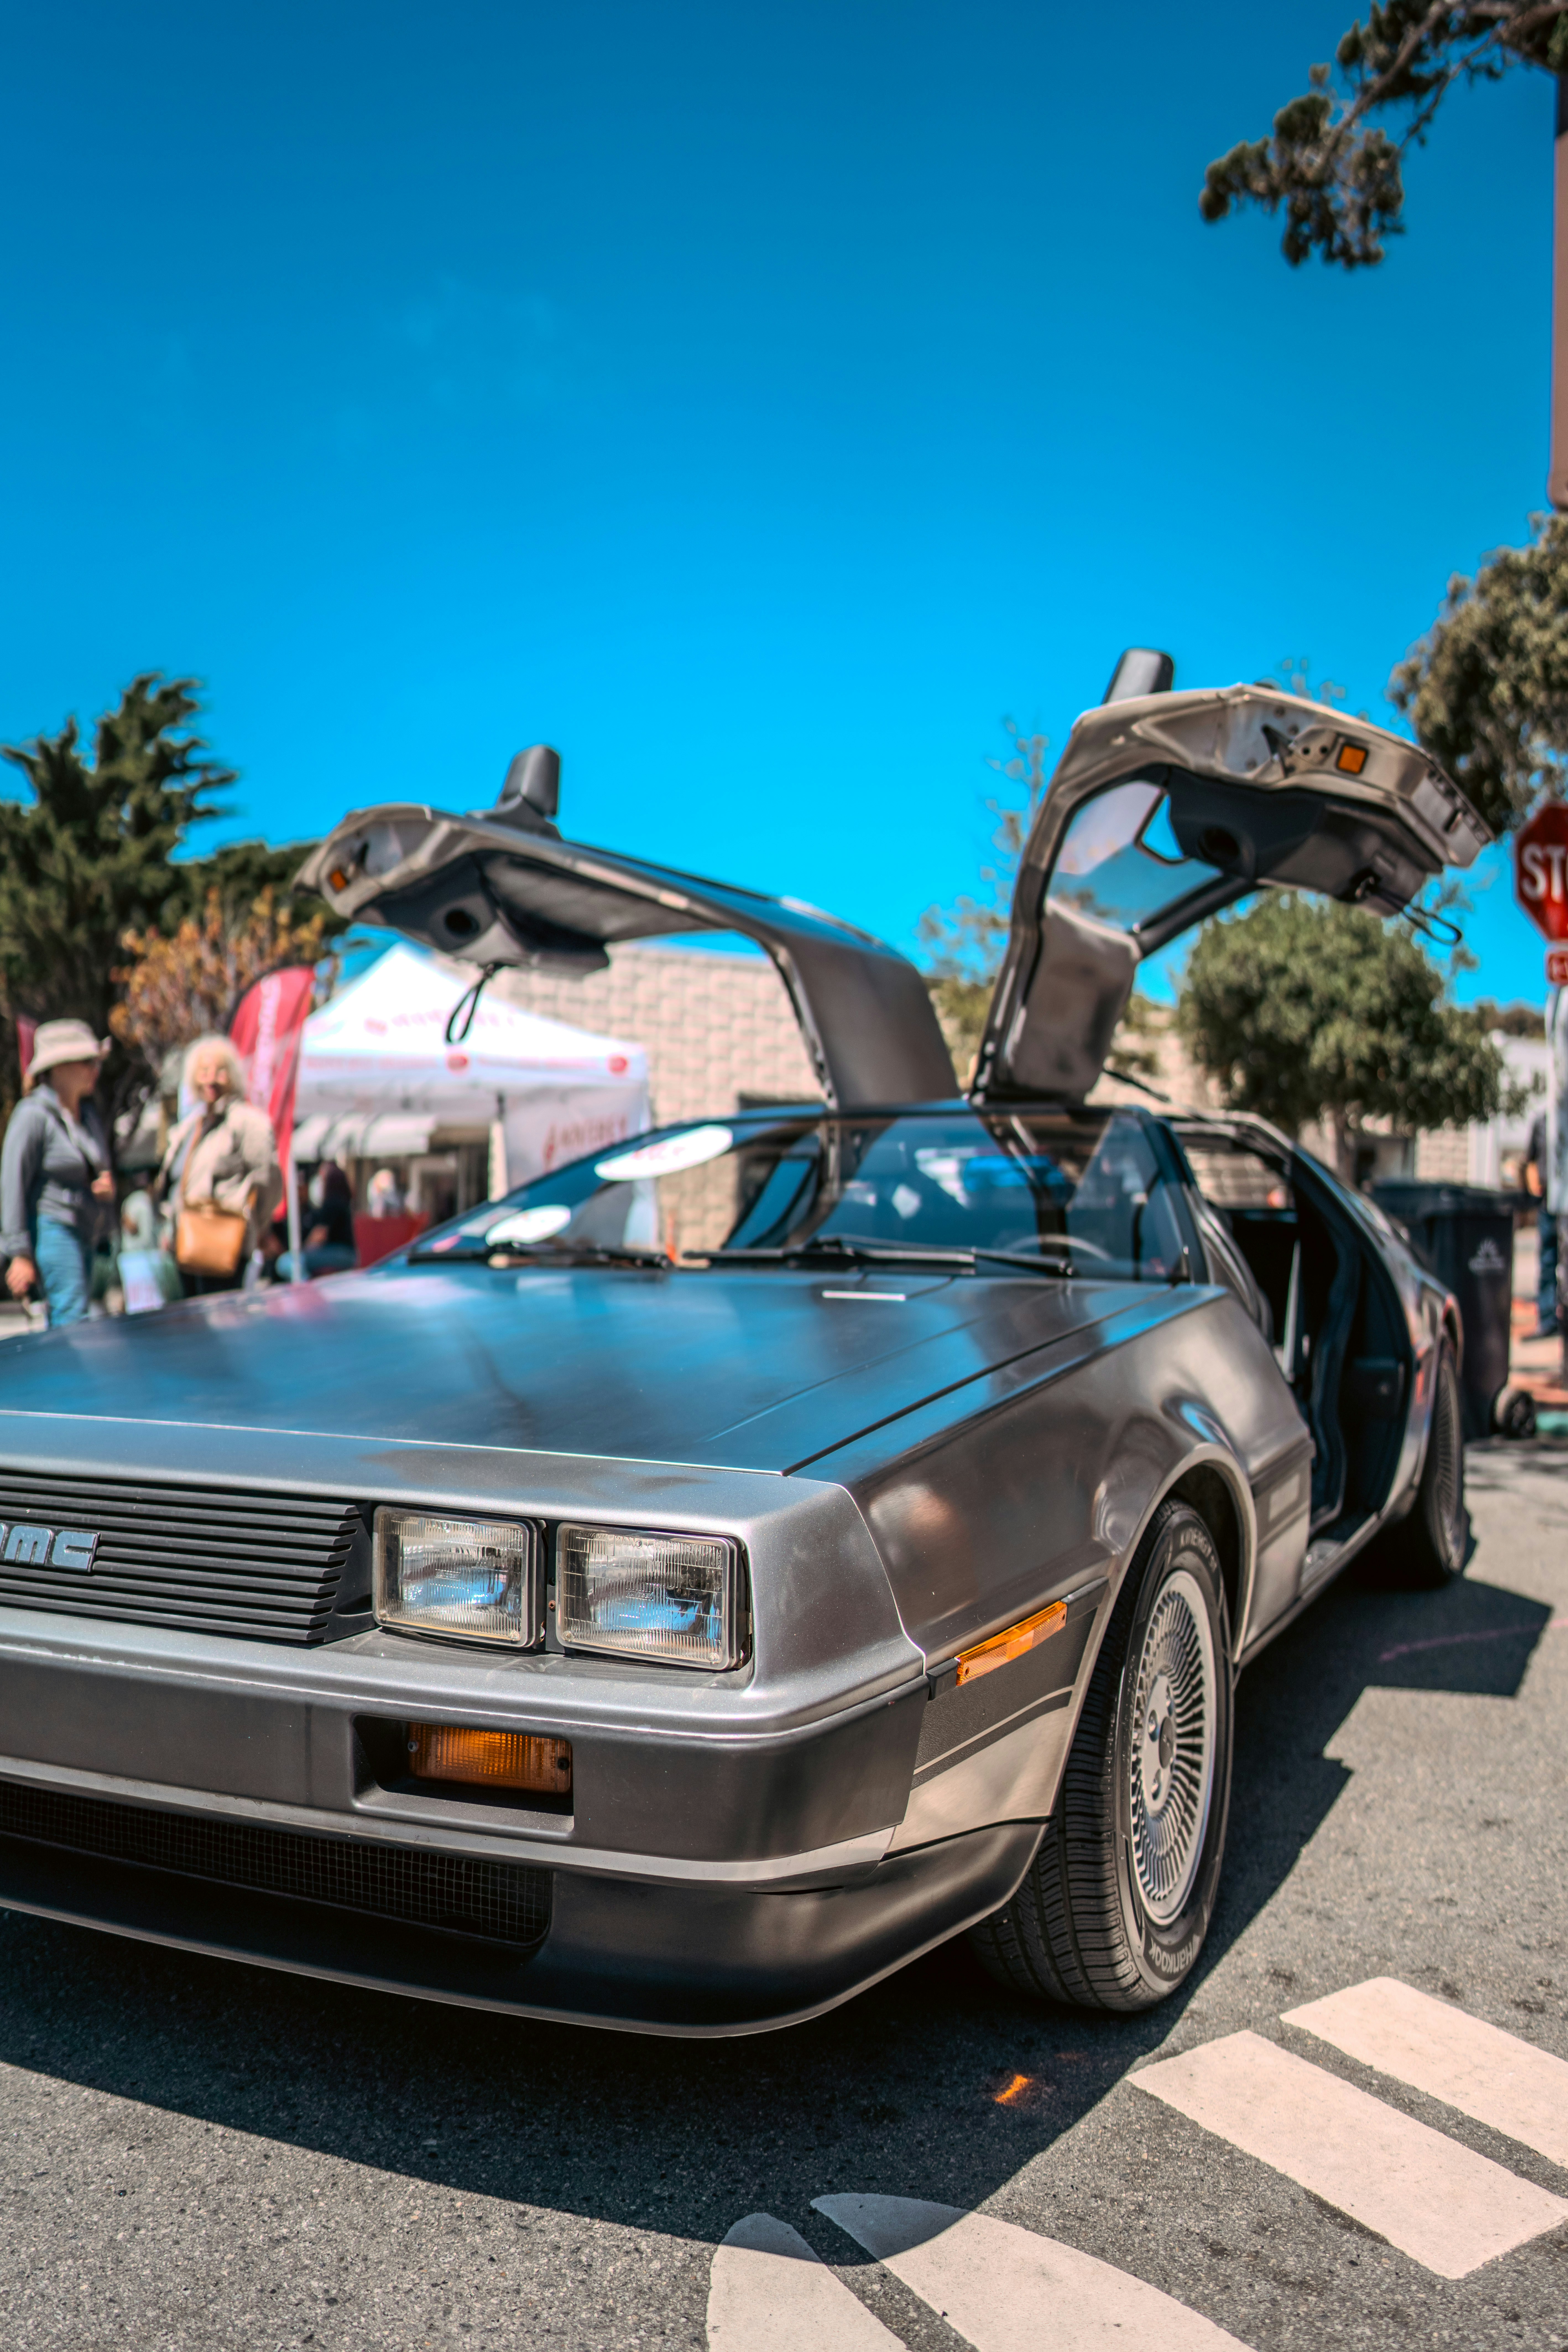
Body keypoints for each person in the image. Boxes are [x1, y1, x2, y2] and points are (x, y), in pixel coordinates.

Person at [0, 1019, 116, 1328]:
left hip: (87, 1228)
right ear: (58, 1067)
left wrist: (104, 1189)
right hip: (53, 1227)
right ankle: (71, 1378)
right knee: (72, 1314)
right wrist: (19, 1252)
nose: (95, 1070)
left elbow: (97, 1168)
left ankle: (67, 1375)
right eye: (87, 1062)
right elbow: (11, 1184)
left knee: (73, 1313)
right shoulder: (32, 1115)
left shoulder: (88, 1115)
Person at [155, 1035, 281, 1295]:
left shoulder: (248, 1122)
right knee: (192, 1324)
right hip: (185, 1242)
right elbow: (175, 1183)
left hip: (225, 1241)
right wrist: (170, 1227)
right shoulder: (190, 1126)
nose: (211, 1079)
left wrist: (257, 1223)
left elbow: (268, 1176)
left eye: (220, 1071)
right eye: (204, 1071)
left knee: (223, 1322)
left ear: (233, 1075)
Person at [277, 1160, 359, 1280]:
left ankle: (305, 1288)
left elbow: (320, 1235)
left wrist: (302, 1252)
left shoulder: (332, 1202)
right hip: (348, 1254)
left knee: (286, 1262)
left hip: (341, 1254)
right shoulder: (342, 1201)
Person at [1523, 1107, 1559, 1340]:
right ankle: (1547, 1320)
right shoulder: (1542, 1121)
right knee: (1547, 1260)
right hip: (1548, 1202)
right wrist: (1535, 1190)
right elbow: (1530, 1161)